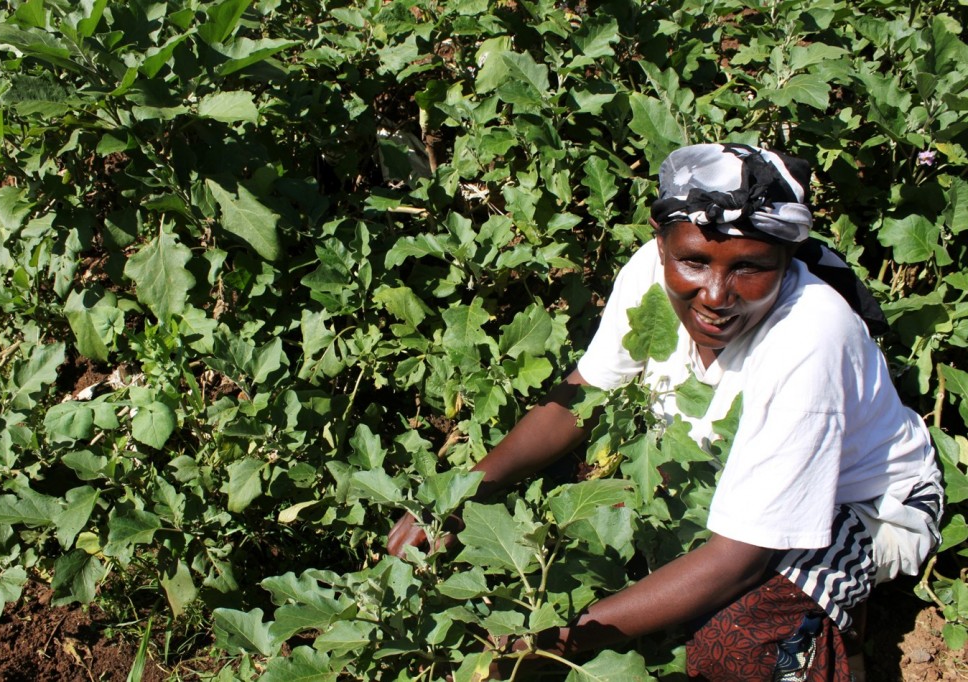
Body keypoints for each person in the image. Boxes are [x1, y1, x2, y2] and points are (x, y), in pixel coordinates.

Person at [387, 143, 943, 681]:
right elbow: (583, 396)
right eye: (694, 262)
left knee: (737, 647)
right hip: (722, 469)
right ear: (662, 247)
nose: (716, 294)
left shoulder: (811, 335)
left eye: (750, 268)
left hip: (862, 504)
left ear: (786, 260)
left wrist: (557, 642)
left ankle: (831, 635)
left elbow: (740, 559)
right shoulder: (649, 274)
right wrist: (459, 495)